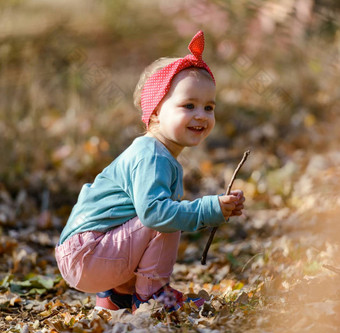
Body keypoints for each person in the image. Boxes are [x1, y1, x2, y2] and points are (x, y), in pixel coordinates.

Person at [55, 30, 245, 313]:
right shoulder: (151, 155)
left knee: (159, 213)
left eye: (209, 107)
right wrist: (208, 209)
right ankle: (151, 297)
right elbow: (156, 216)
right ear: (155, 112)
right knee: (164, 215)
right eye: (188, 105)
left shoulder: (158, 154)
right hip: (87, 254)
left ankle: (118, 296)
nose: (201, 115)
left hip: (88, 252)